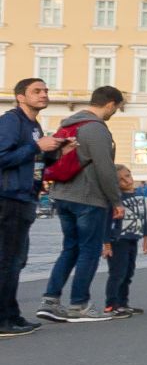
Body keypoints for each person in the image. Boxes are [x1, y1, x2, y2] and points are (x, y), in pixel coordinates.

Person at [37, 85, 125, 323]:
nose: (116, 112)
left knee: (70, 248)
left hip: (62, 194)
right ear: (110, 104)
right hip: (88, 197)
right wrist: (116, 200)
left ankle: (51, 300)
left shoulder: (67, 124)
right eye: (117, 107)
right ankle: (79, 304)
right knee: (89, 251)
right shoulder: (96, 129)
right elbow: (105, 168)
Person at [0, 78, 64, 337]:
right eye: (36, 91)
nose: (43, 94)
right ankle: (3, 320)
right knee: (7, 261)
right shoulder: (11, 121)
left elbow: (33, 158)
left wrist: (53, 151)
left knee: (17, 260)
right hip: (9, 197)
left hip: (25, 196)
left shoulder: (34, 125)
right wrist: (37, 146)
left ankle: (11, 314)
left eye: (46, 90)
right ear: (20, 97)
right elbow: (3, 156)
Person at [103, 164, 147, 317]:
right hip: (118, 240)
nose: (126, 181)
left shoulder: (139, 196)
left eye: (127, 176)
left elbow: (143, 219)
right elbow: (106, 223)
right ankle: (111, 304)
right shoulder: (115, 200)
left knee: (128, 272)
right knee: (118, 273)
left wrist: (145, 238)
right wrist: (107, 243)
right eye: (121, 179)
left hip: (133, 239)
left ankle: (123, 303)